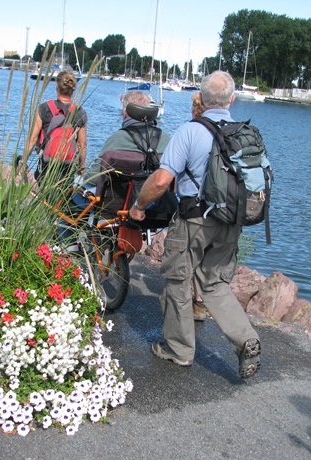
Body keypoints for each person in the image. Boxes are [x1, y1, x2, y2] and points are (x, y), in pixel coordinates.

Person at [129, 70, 262, 379]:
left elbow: (162, 181)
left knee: (178, 280)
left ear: (201, 99)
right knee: (215, 285)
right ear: (233, 99)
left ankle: (179, 350)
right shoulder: (244, 132)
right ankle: (246, 339)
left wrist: (139, 205)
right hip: (230, 222)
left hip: (194, 222)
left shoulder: (191, 131)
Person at [84, 90, 170, 186]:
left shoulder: (118, 138)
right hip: (156, 199)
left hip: (120, 200)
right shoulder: (166, 138)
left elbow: (93, 177)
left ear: (125, 113)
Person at [24, 70, 87, 180]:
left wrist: (23, 162)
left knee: (43, 194)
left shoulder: (44, 108)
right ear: (73, 89)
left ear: (56, 87)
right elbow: (82, 145)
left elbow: (33, 139)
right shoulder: (80, 112)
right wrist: (81, 167)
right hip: (67, 168)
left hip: (46, 165)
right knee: (63, 194)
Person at [189, 91, 212, 323]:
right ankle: (200, 302)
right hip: (220, 208)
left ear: (195, 110)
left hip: (194, 207)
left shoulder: (192, 131)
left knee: (191, 256)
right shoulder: (224, 131)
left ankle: (188, 305)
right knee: (205, 256)